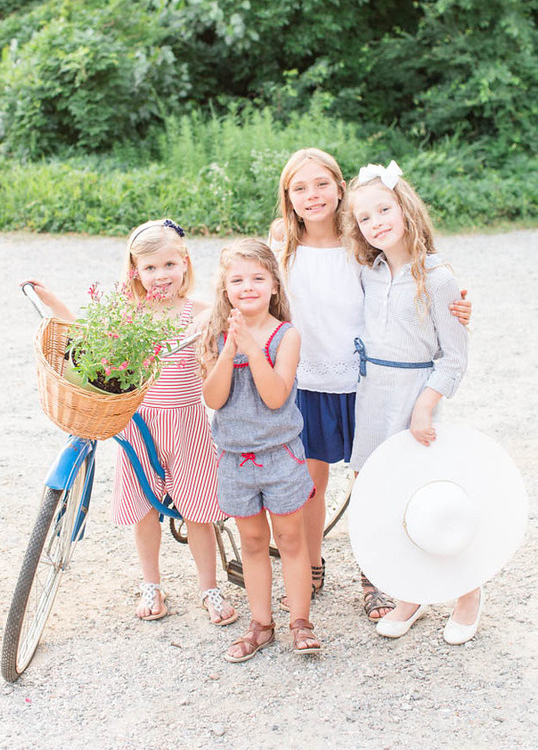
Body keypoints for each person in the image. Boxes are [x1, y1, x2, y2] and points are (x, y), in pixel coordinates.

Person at [269, 148, 472, 620]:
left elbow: (414, 283)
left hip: (366, 379)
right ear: (287, 198)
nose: (312, 195)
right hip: (309, 380)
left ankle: (376, 576)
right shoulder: (282, 246)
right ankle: (312, 567)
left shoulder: (361, 245)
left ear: (340, 189)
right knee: (311, 484)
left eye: (322, 184)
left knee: (373, 483)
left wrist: (461, 302)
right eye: (299, 187)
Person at [26, 218, 237, 627]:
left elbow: (229, 338)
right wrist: (54, 303)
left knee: (197, 510)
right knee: (143, 509)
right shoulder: (129, 313)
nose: (161, 276)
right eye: (151, 268)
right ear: (134, 271)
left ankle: (209, 587)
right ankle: (152, 584)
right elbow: (88, 338)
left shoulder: (201, 313)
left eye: (169, 265)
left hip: (187, 423)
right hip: (138, 422)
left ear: (185, 264)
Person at [346, 161, 481, 643]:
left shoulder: (438, 276)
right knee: (384, 500)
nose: (376, 222)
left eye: (384, 209)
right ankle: (411, 593)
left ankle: (467, 591)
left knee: (429, 499)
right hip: (372, 395)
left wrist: (425, 406)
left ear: (405, 208)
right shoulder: (370, 271)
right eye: (365, 218)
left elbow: (453, 358)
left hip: (411, 396)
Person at [200, 238, 321, 661]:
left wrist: (252, 350)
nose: (247, 286)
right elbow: (213, 399)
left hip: (280, 456)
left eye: (257, 278)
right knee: (251, 542)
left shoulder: (285, 336)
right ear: (225, 288)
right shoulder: (217, 336)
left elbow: (275, 396)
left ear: (274, 286)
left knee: (290, 538)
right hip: (235, 460)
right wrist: (230, 349)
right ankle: (261, 624)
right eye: (237, 280)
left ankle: (300, 622)